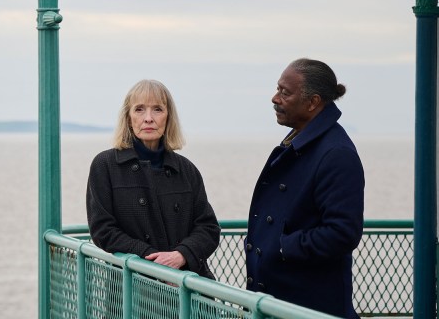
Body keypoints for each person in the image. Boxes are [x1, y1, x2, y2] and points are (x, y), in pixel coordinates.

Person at [245, 58, 365, 318]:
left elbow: (343, 233)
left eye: (285, 92)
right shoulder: (302, 141)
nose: (275, 98)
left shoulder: (337, 153)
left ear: (312, 103)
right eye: (278, 89)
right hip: (279, 302)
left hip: (309, 307)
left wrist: (281, 248)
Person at [86, 79, 220, 277]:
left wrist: (181, 254)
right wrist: (152, 258)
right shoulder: (105, 165)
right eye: (139, 109)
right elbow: (103, 230)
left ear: (168, 117)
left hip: (189, 286)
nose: (148, 118)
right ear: (128, 117)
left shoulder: (186, 169)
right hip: (133, 287)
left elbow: (208, 228)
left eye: (157, 109)